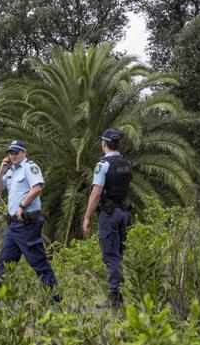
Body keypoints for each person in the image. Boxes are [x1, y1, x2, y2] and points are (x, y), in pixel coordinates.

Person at [0, 140, 59, 301]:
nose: (13, 156)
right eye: (11, 153)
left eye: (16, 152)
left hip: (27, 224)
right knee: (4, 262)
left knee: (39, 262)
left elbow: (37, 188)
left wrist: (22, 206)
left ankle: (54, 299)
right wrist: (1, 172)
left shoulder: (30, 167)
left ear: (24, 152)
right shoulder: (10, 171)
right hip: (13, 225)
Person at [82, 129, 132, 308]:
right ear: (117, 144)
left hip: (109, 215)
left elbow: (96, 193)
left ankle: (115, 297)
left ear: (104, 144)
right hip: (123, 213)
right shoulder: (126, 163)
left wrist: (87, 217)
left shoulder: (103, 165)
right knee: (120, 253)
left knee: (111, 254)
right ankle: (125, 292)